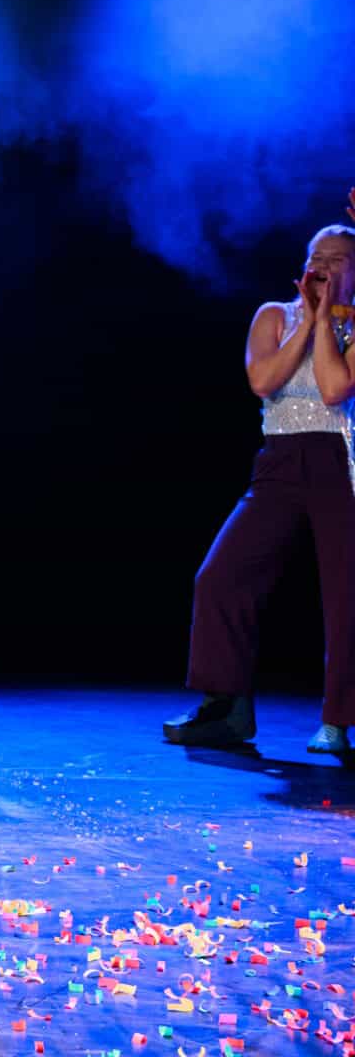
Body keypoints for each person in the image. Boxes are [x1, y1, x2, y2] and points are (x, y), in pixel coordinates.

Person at [164, 217, 355, 756]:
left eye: (337, 260)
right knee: (220, 577)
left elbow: (334, 388)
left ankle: (338, 722)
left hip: (341, 461)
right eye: (316, 258)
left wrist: (327, 323)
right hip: (278, 461)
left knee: (346, 595)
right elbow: (263, 381)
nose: (322, 267)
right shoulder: (274, 315)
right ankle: (225, 708)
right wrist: (309, 320)